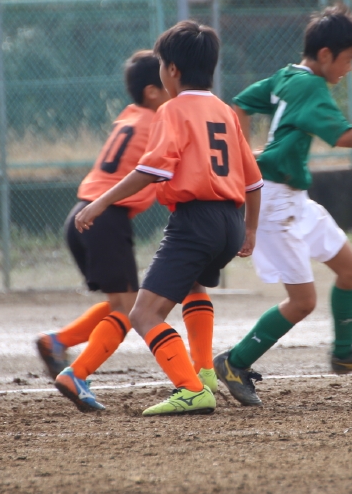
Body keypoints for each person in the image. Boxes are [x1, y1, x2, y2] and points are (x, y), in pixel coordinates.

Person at [214, 4, 352, 407]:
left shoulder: (288, 77)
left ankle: (343, 354)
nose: (349, 68)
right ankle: (234, 362)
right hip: (274, 204)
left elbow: (241, 104)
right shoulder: (312, 87)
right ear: (325, 55)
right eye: (348, 59)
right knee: (303, 301)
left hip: (294, 200)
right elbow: (343, 137)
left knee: (349, 269)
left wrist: (245, 155)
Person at [74, 20, 262, 415]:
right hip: (230, 222)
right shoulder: (225, 111)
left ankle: (191, 389)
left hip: (195, 222)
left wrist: (100, 202)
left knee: (144, 314)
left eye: (161, 64)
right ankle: (205, 373)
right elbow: (253, 180)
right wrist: (250, 230)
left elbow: (151, 170)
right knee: (194, 286)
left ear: (172, 69)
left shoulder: (173, 110)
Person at [36, 51, 220, 411]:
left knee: (122, 303)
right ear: (153, 91)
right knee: (127, 311)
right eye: (168, 83)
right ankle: (77, 373)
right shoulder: (159, 120)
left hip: (83, 215)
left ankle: (58, 341)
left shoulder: (129, 116)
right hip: (106, 218)